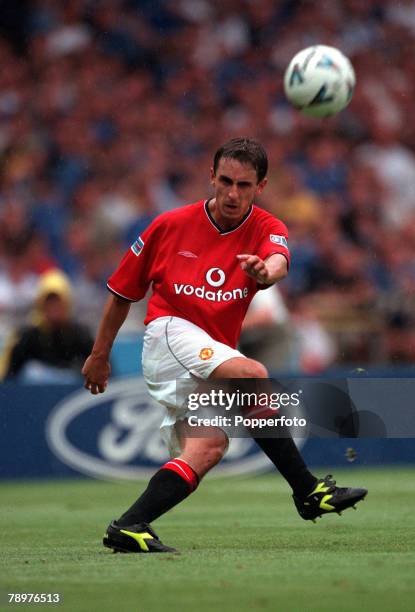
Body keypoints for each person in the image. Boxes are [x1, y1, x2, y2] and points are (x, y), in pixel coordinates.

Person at [82, 138, 367, 554]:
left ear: (261, 186)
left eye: (245, 185)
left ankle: (129, 525)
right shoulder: (169, 226)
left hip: (209, 352)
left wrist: (263, 270)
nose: (233, 194)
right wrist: (99, 354)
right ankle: (306, 491)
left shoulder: (268, 228)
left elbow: (278, 263)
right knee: (253, 373)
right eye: (227, 181)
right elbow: (122, 292)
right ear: (211, 177)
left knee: (209, 447)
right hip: (169, 334)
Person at [1, 269, 94, 383]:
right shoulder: (28, 337)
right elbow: (9, 378)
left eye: (58, 302)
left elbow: (104, 372)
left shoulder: (81, 335)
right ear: (41, 305)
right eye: (49, 302)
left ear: (67, 303)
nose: (54, 307)